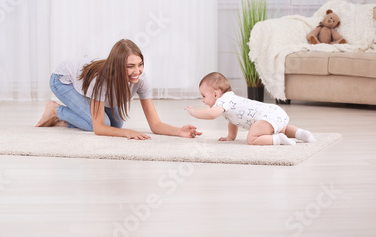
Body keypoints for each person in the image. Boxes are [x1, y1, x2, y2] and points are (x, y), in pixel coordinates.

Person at [35, 39, 202, 140]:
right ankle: (56, 111)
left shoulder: (141, 80)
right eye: (130, 66)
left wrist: (179, 131)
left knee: (116, 124)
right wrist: (127, 133)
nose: (137, 71)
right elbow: (100, 128)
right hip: (63, 80)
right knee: (103, 124)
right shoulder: (101, 80)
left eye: (140, 64)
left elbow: (155, 124)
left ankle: (67, 115)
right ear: (117, 66)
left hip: (86, 84)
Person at [185, 72, 315, 146]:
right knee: (284, 128)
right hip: (274, 111)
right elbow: (233, 121)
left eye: (203, 96)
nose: (203, 100)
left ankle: (278, 139)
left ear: (215, 94)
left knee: (252, 139)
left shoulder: (223, 101)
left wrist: (194, 112)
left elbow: (212, 114)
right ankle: (302, 134)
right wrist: (230, 137)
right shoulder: (231, 100)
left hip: (264, 118)